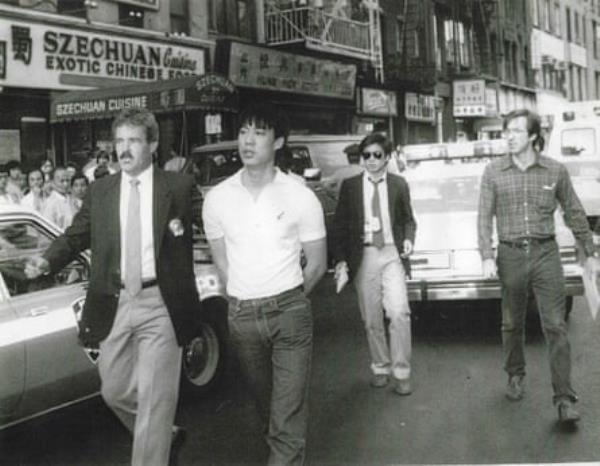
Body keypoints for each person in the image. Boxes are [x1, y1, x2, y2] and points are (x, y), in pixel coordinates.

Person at [25, 108, 199, 465]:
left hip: (162, 303)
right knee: (115, 390)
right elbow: (76, 234)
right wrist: (47, 260)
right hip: (113, 300)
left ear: (152, 143)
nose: (125, 149)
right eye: (119, 141)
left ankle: (153, 448)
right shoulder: (101, 190)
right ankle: (165, 436)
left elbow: (215, 220)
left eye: (134, 140)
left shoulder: (177, 187)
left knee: (153, 399)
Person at [202, 103, 327, 465]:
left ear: (279, 142)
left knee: (286, 418)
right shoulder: (217, 199)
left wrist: (286, 299)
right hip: (242, 317)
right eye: (243, 131)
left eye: (259, 132)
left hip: (289, 313)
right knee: (268, 408)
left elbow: (317, 264)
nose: (248, 140)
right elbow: (222, 262)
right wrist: (246, 297)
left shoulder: (300, 196)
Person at [477, 108, 600, 424]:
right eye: (506, 130)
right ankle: (515, 373)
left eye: (516, 130)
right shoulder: (493, 172)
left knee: (556, 325)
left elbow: (573, 211)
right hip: (510, 254)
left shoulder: (555, 170)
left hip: (546, 255)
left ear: (533, 135)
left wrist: (591, 250)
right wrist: (487, 255)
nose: (509, 136)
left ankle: (564, 399)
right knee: (511, 322)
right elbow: (483, 217)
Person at [332, 132, 417, 395]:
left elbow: (408, 220)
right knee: (371, 319)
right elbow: (340, 227)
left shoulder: (399, 184)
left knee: (399, 312)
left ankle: (402, 372)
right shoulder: (350, 187)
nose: (370, 160)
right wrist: (342, 261)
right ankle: (381, 367)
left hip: (391, 254)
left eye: (376, 155)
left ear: (386, 157)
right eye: (365, 155)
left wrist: (408, 240)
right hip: (365, 254)